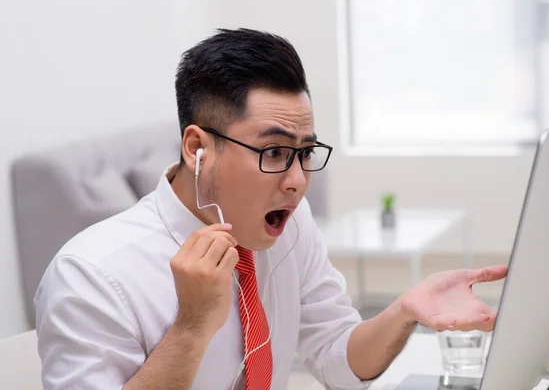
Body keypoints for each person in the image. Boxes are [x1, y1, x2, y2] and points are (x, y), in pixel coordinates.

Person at [34, 28, 507, 390]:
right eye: (274, 152)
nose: (298, 181)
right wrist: (192, 327)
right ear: (198, 149)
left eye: (304, 152)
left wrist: (404, 311)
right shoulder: (91, 275)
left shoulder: (291, 227)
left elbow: (336, 355)